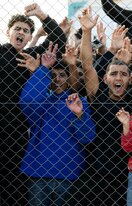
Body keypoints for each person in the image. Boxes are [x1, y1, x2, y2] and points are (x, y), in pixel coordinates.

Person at [76, 7, 132, 205]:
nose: (118, 77)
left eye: (123, 74)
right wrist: (86, 31)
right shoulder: (98, 92)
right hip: (97, 169)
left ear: (130, 79)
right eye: (113, 74)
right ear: (105, 78)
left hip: (128, 171)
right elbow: (87, 65)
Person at [0, 3, 66, 205]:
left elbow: (59, 40)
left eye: (26, 31)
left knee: (13, 182)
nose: (21, 32)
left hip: (17, 129)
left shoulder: (29, 56)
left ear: (30, 37)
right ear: (7, 32)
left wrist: (41, 15)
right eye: (17, 29)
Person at [19, 43, 96, 206]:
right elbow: (28, 101)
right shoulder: (42, 102)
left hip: (69, 175)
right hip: (39, 174)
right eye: (53, 76)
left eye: (62, 75)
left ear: (69, 78)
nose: (58, 79)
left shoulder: (79, 102)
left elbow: (87, 138)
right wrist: (43, 69)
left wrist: (79, 114)